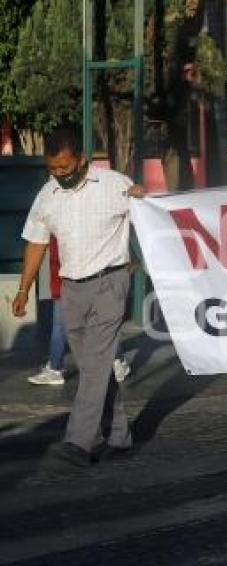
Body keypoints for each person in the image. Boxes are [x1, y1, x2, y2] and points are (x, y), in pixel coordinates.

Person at [12, 127, 145, 467]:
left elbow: (150, 219)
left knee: (96, 363)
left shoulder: (115, 184)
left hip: (109, 284)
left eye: (64, 168)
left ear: (82, 160)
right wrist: (24, 290)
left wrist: (144, 198)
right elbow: (37, 242)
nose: (59, 175)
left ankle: (79, 442)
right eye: (52, 169)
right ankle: (118, 435)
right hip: (71, 290)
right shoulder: (48, 194)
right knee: (93, 368)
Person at [27, 237, 131, 386]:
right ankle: (116, 361)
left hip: (81, 280)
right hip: (69, 281)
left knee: (84, 326)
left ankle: (57, 368)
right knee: (74, 326)